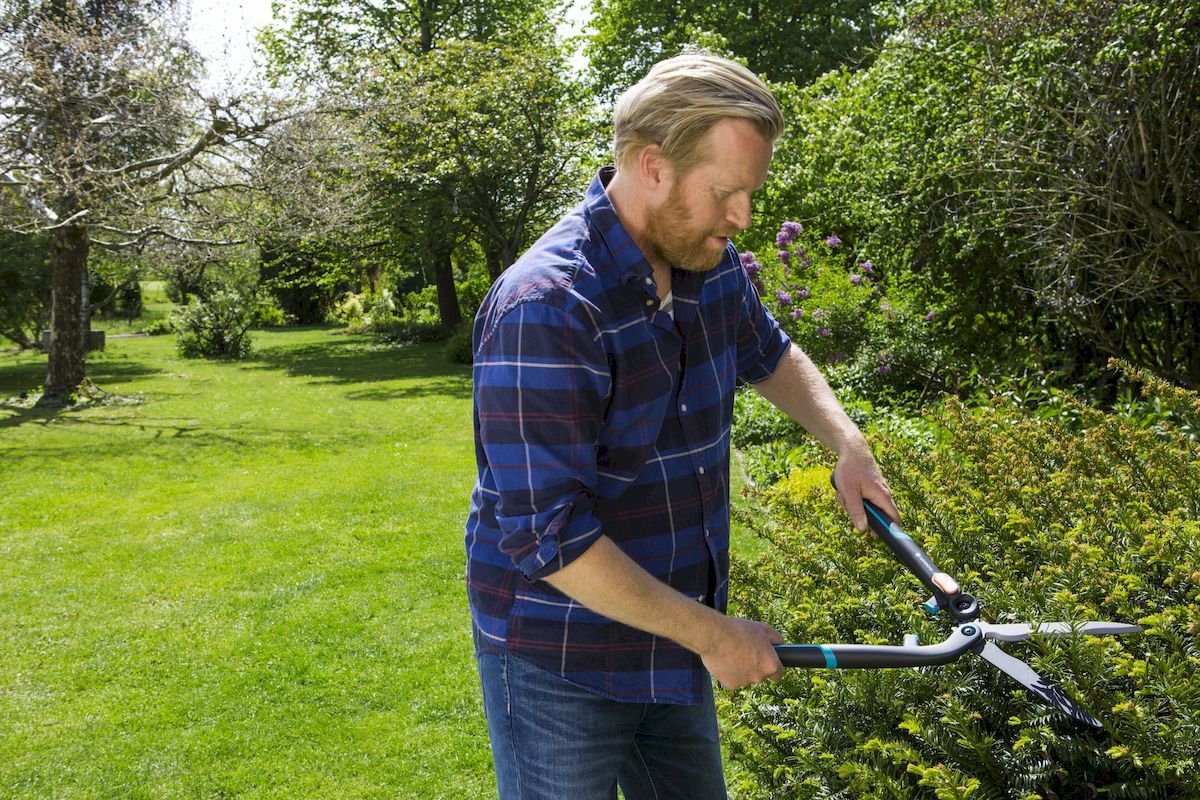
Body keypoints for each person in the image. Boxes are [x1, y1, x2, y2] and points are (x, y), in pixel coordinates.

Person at [464, 50, 899, 800]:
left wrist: (847, 442)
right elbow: (548, 534)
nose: (743, 217)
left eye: (750, 194)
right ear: (653, 167)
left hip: (675, 640)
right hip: (561, 656)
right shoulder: (549, 306)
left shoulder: (707, 260)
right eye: (726, 192)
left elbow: (769, 352)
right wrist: (713, 634)